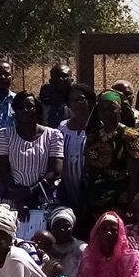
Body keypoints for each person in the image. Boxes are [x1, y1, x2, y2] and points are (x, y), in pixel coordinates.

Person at [0, 92, 63, 218]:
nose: (25, 110)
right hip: (12, 199)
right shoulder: (5, 135)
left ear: (37, 110)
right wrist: (19, 199)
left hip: (42, 198)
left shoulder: (53, 135)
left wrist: (31, 191)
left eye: (30, 107)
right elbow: (3, 170)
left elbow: (55, 171)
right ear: (15, 112)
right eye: (21, 108)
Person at [83, 92, 139, 220]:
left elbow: (134, 175)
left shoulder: (130, 137)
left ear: (120, 110)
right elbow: (87, 169)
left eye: (111, 108)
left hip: (119, 197)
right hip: (94, 196)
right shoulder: (93, 136)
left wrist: (131, 206)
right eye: (102, 109)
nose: (106, 113)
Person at [57, 83, 95, 221]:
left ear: (90, 100)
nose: (77, 104)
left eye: (81, 99)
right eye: (72, 100)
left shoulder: (98, 128)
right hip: (67, 187)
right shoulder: (62, 127)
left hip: (91, 190)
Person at [37, 206, 85, 277]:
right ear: (51, 227)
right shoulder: (42, 246)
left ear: (72, 228)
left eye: (66, 226)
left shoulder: (82, 249)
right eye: (57, 226)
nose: (62, 229)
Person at [36, 63, 74, 129]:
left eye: (65, 76)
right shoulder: (41, 106)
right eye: (57, 76)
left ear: (71, 80)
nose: (61, 79)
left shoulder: (80, 104)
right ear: (50, 81)